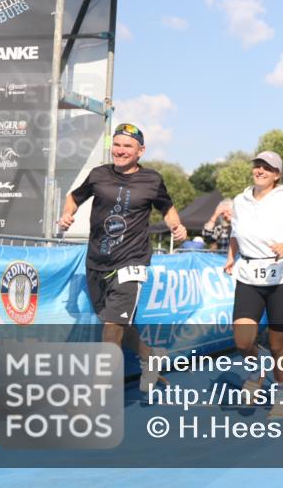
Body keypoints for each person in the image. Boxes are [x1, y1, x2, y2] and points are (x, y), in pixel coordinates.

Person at [57, 123, 188, 392]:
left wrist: (177, 226)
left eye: (127, 146)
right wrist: (67, 213)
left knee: (111, 331)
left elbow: (168, 208)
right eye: (116, 145)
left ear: (140, 151)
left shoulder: (152, 179)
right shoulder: (98, 175)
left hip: (132, 262)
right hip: (96, 261)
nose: (120, 150)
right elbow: (74, 197)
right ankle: (149, 356)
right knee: (117, 322)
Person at [224, 151, 283, 418]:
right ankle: (256, 372)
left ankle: (281, 392)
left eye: (268, 167)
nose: (261, 170)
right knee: (243, 342)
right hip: (248, 274)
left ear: (277, 175)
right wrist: (231, 257)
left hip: (282, 277)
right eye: (258, 165)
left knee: (278, 345)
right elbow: (235, 232)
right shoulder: (239, 201)